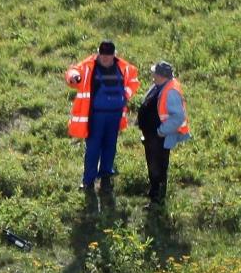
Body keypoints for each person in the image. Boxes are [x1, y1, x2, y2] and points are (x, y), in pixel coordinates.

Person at [64, 41, 139, 192]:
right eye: (102, 54)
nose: (104, 58)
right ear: (98, 53)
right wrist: (74, 77)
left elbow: (133, 82)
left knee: (110, 147)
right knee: (93, 149)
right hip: (96, 116)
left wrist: (125, 96)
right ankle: (88, 181)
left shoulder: (123, 67)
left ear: (114, 55)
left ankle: (106, 177)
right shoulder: (89, 65)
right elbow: (73, 72)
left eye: (108, 55)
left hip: (115, 116)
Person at [136, 60, 189, 204]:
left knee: (158, 168)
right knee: (154, 166)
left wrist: (161, 131)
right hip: (153, 136)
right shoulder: (160, 85)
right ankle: (154, 193)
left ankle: (158, 200)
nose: (152, 75)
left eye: (154, 73)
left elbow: (178, 117)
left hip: (160, 138)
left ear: (161, 75)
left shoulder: (170, 92)